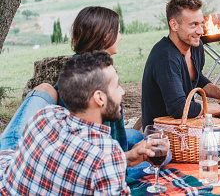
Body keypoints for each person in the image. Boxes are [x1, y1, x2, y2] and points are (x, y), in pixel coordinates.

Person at [0, 6, 146, 177]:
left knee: (137, 136)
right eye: (119, 32)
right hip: (85, 154)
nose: (121, 37)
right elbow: (93, 149)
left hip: (84, 146)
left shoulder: (77, 68)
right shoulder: (94, 78)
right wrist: (126, 157)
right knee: (157, 155)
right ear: (106, 36)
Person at [0, 51, 159, 194]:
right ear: (99, 98)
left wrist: (127, 158)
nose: (122, 91)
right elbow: (97, 161)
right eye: (116, 85)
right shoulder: (107, 155)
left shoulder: (45, 116)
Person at [142, 0, 220, 128]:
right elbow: (178, 108)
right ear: (174, 25)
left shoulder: (196, 47)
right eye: (193, 25)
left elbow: (198, 80)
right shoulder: (166, 57)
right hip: (165, 129)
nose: (200, 31)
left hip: (188, 120)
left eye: (201, 23)